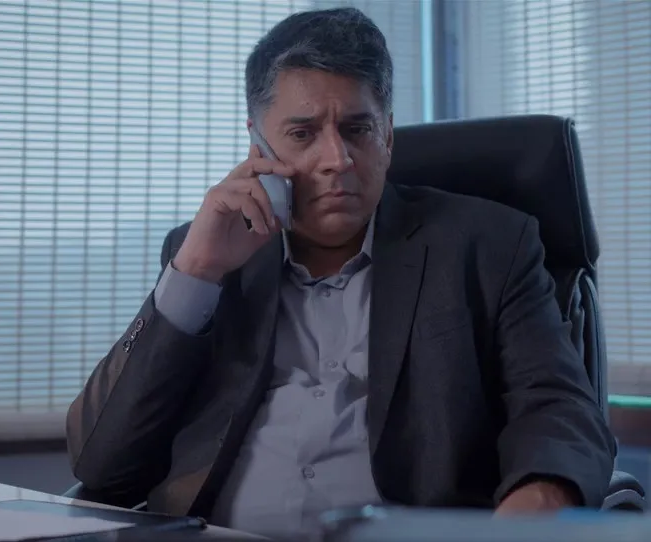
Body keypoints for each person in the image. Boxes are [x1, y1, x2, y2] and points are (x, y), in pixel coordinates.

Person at [65, 7, 615, 541]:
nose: (337, 159)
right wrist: (195, 273)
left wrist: (537, 501)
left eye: (358, 129)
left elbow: (559, 407)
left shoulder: (487, 244)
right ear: (258, 146)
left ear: (388, 136)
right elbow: (102, 465)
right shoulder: (208, 255)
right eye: (303, 134)